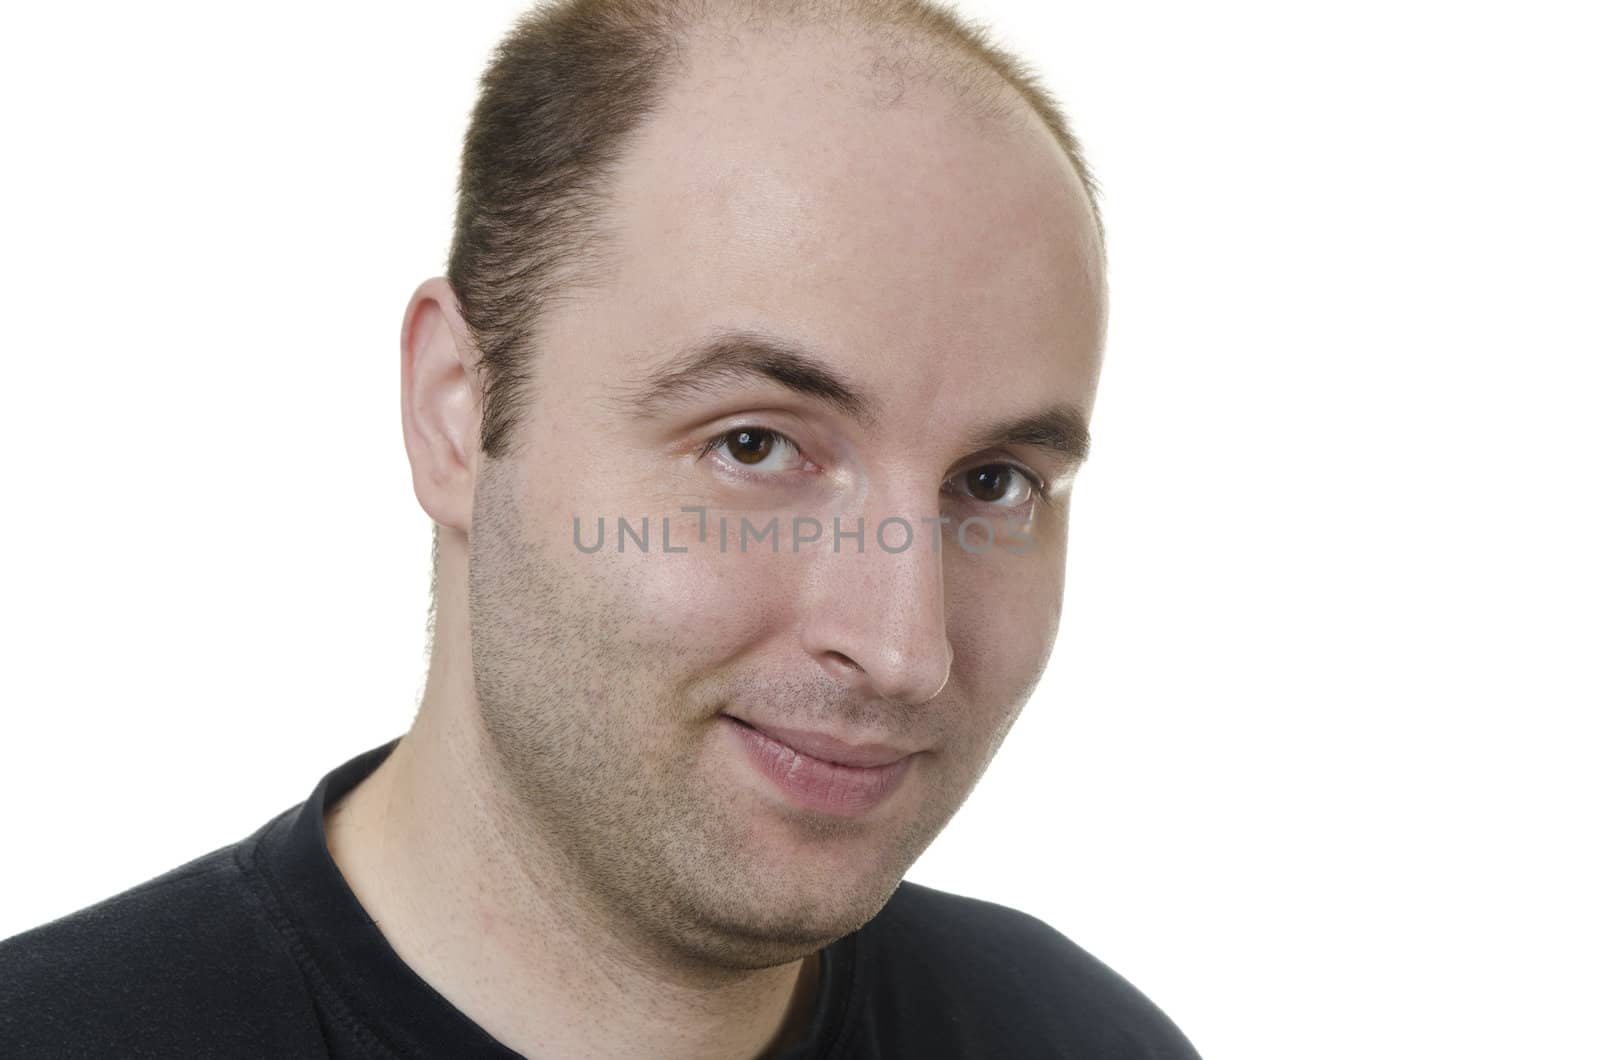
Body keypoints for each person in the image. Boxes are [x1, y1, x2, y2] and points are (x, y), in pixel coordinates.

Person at [0, 1, 1202, 1056]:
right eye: (754, 444)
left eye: (993, 483)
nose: (903, 647)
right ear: (456, 415)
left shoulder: (1083, 1036)